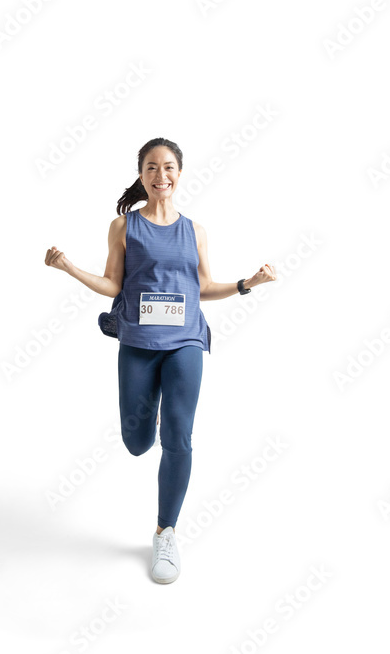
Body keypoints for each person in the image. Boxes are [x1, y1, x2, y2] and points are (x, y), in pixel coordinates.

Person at [44, 137, 276, 583]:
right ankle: (149, 420)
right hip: (137, 339)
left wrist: (247, 283)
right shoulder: (124, 227)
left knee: (179, 436)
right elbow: (114, 284)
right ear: (141, 174)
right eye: (151, 168)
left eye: (168, 167)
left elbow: (203, 287)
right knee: (136, 443)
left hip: (186, 340)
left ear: (180, 173)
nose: (160, 176)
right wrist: (69, 267)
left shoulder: (196, 231)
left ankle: (165, 532)